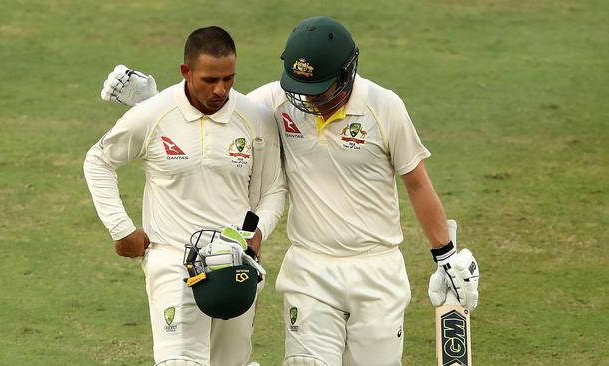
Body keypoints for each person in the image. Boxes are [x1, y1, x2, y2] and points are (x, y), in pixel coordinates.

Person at [100, 16, 480, 366]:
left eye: (318, 87)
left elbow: (417, 183)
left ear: (347, 73)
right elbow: (221, 106)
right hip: (309, 268)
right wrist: (155, 103)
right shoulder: (279, 101)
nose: (306, 98)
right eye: (300, 87)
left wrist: (445, 256)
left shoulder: (385, 107)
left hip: (376, 266)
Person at [84, 26, 286, 366]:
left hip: (233, 263)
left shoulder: (255, 119)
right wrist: (121, 228)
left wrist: (256, 234)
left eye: (229, 78)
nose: (220, 89)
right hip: (173, 259)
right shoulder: (153, 113)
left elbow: (273, 189)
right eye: (209, 80)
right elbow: (98, 160)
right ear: (186, 72)